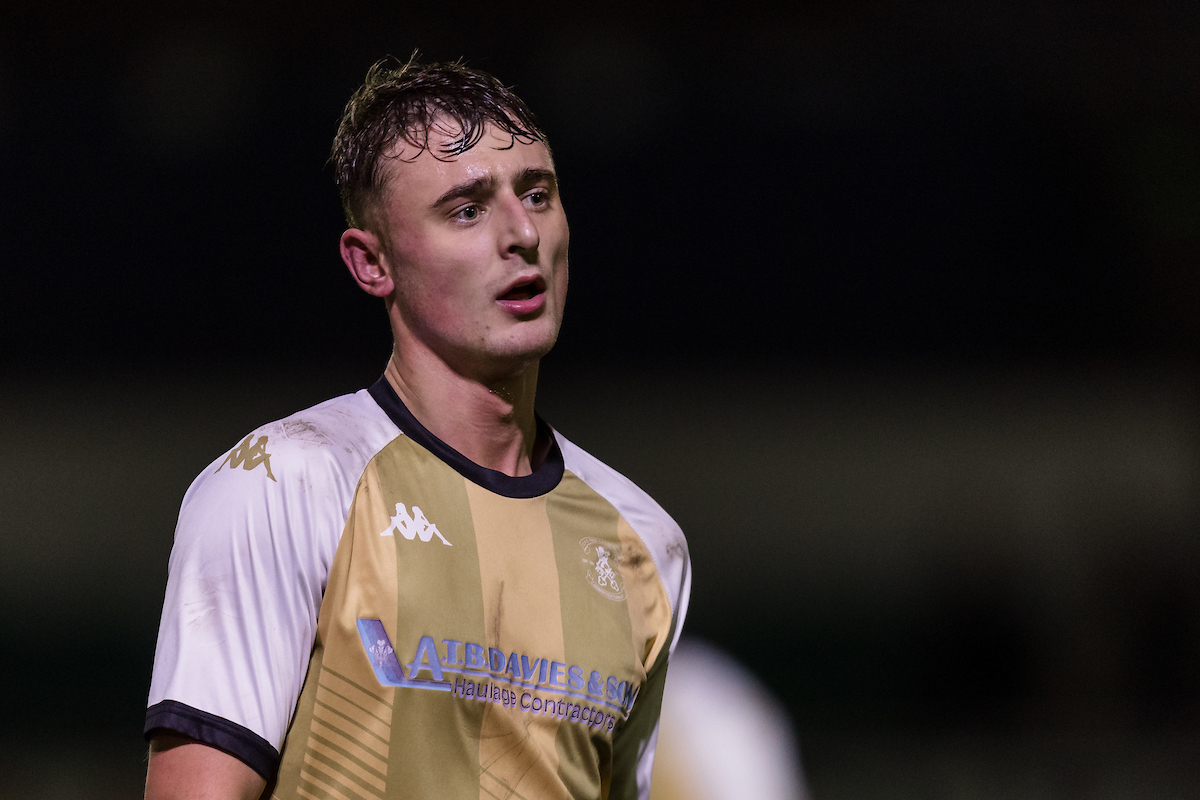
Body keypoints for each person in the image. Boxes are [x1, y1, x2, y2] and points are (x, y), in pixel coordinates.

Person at [142, 57, 691, 800]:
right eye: (466, 210)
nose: (522, 232)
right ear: (372, 264)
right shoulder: (284, 481)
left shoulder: (644, 544)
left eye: (538, 193)